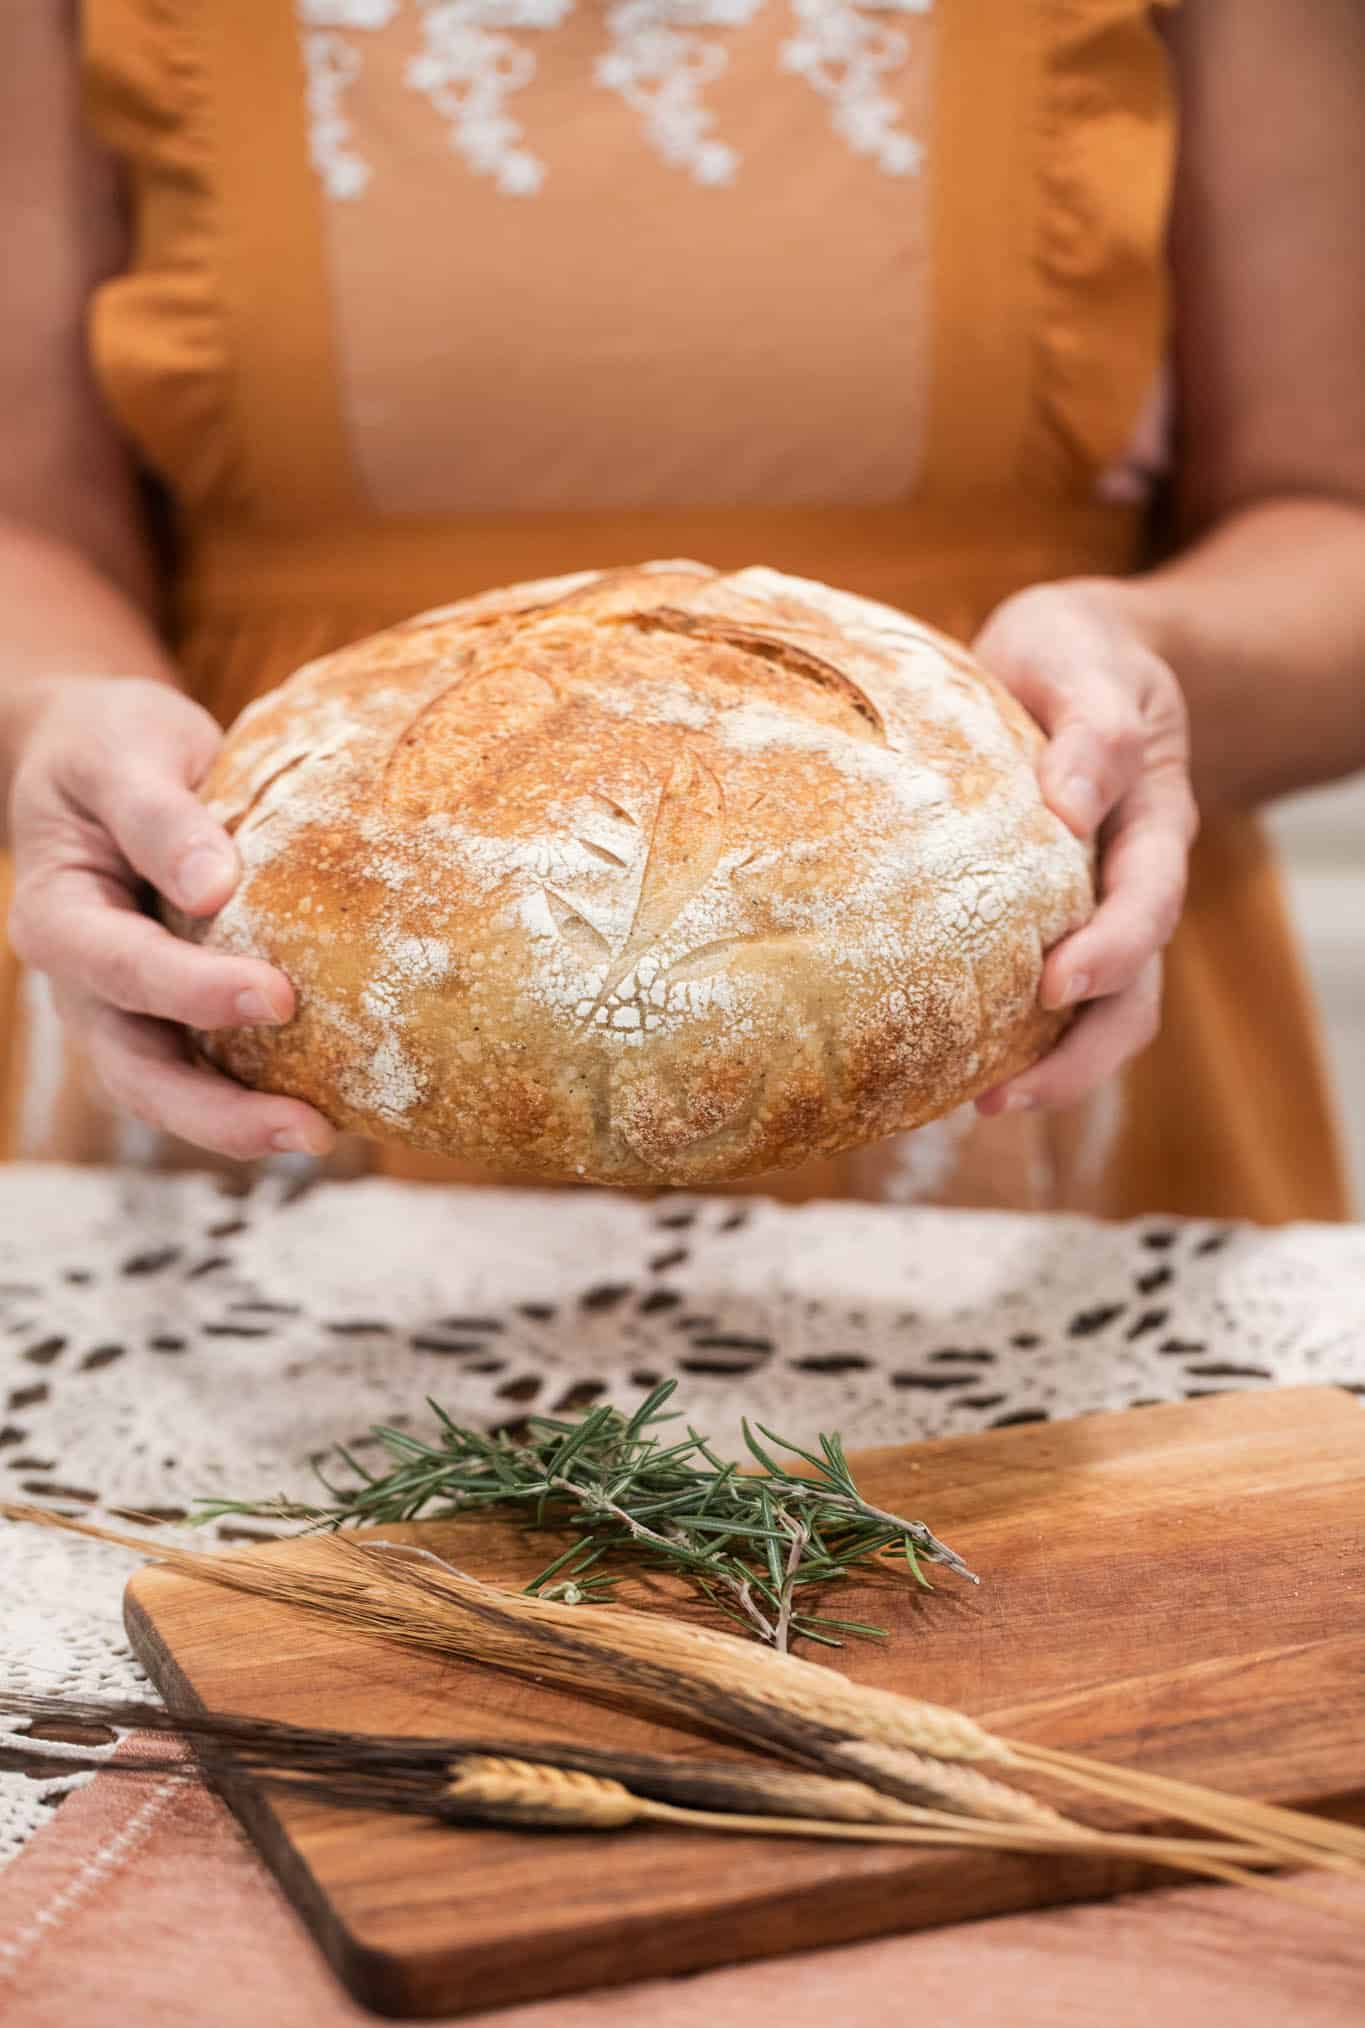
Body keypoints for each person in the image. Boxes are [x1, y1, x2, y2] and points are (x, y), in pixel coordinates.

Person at [0, 0, 1361, 1220]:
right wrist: (58, 714)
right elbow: (24, 523)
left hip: (1010, 982)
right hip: (268, 994)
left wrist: (1146, 671)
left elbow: (1332, 520)